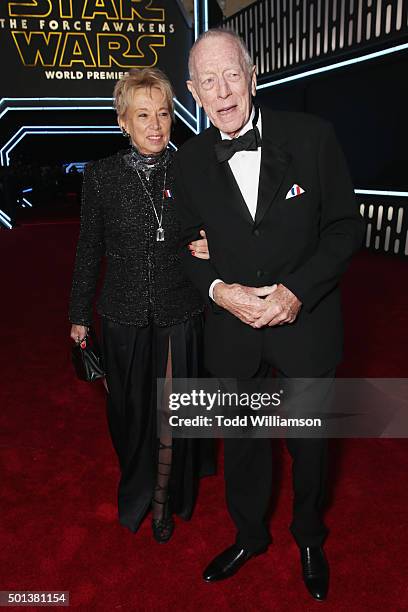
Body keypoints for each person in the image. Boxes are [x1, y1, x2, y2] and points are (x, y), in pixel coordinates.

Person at [174, 29, 364, 598]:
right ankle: (249, 536)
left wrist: (296, 292)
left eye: (232, 74)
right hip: (234, 333)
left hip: (304, 326)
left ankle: (309, 534)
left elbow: (344, 228)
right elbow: (180, 247)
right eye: (208, 81)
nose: (223, 91)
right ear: (193, 91)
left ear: (253, 75)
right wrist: (216, 290)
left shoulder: (313, 137)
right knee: (246, 447)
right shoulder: (185, 164)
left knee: (308, 445)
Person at [69, 68, 213, 543]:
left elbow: (223, 229)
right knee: (131, 417)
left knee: (173, 411)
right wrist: (77, 315)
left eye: (165, 113)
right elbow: (89, 248)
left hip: (180, 308)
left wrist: (216, 244)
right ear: (123, 122)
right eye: (143, 115)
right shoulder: (102, 176)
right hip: (122, 314)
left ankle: (162, 503)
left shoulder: (193, 169)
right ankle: (139, 487)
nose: (156, 125)